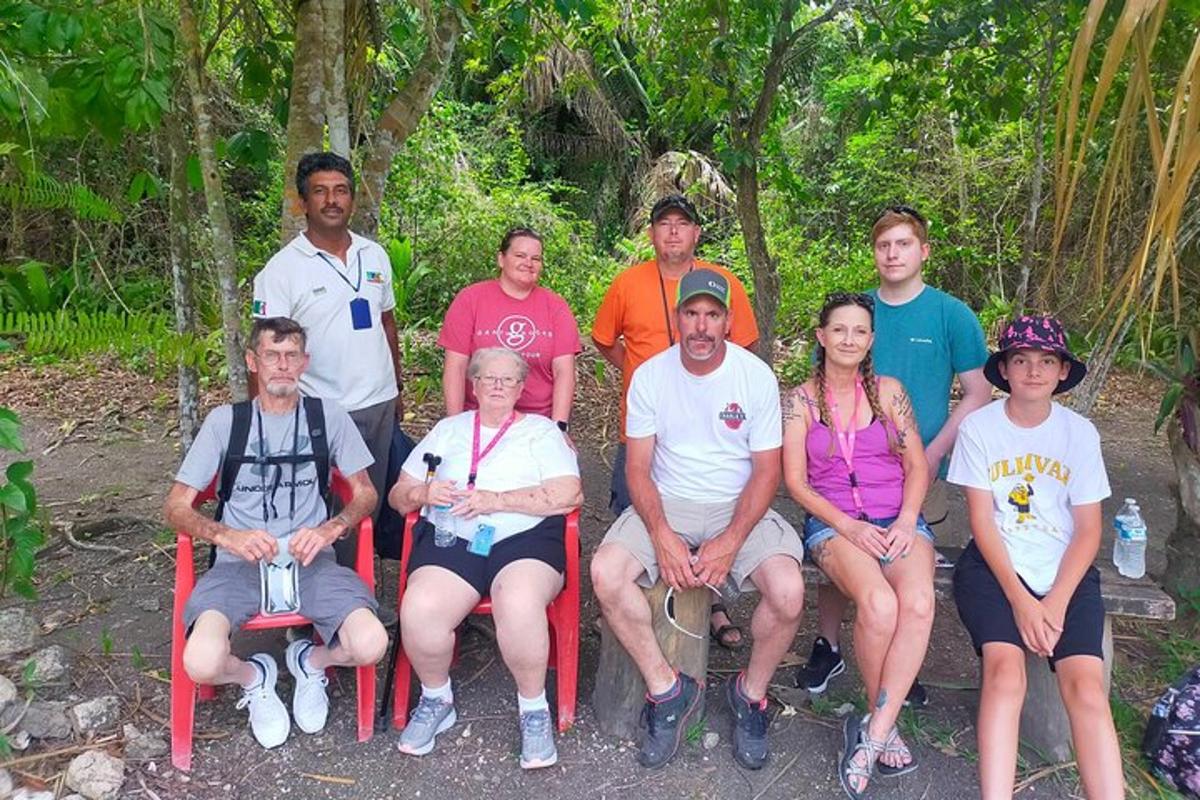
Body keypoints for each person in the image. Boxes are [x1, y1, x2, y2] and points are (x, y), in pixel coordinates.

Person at [590, 269, 805, 771]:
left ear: (729, 322)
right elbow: (638, 469)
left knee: (789, 592)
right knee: (606, 574)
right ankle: (667, 689)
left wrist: (731, 541)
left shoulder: (754, 376)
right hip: (668, 499)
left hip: (738, 502)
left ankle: (749, 694)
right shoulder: (650, 375)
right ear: (676, 318)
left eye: (712, 315)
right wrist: (662, 534)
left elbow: (766, 472)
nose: (701, 326)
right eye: (692, 314)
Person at [163, 317, 388, 749]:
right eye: (272, 355)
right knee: (202, 662)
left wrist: (331, 528)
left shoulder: (328, 417)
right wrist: (227, 536)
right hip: (240, 564)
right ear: (253, 361)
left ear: (304, 362)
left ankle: (312, 662)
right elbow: (174, 506)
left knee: (371, 643)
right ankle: (255, 675)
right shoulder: (225, 422)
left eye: (291, 356)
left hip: (311, 561)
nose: (282, 365)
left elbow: (365, 494)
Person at [799, 205, 991, 706]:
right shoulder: (857, 313)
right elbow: (824, 388)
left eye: (903, 244)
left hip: (917, 464)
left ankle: (897, 669)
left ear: (923, 251)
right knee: (845, 553)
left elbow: (977, 392)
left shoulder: (951, 314)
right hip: (845, 471)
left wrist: (929, 454)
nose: (893, 253)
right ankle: (830, 643)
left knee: (905, 563)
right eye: (884, 245)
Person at [948, 315, 1124, 800]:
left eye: (1047, 361)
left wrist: (1055, 602)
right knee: (1005, 676)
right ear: (1003, 368)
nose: (1033, 371)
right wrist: (1023, 602)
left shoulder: (1080, 433)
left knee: (1086, 687)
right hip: (995, 567)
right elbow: (982, 522)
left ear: (1063, 371)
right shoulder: (980, 428)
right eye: (1020, 360)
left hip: (1066, 572)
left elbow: (1089, 528)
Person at [388, 347, 582, 769]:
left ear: (520, 387)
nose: (497, 385)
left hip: (524, 537)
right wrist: (423, 493)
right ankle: (437, 698)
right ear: (472, 385)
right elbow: (397, 496)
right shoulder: (447, 430)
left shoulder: (542, 432)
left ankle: (534, 710)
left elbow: (570, 493)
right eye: (487, 378)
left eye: (507, 379)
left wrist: (494, 500)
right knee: (420, 608)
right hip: (454, 538)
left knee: (518, 602)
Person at [592, 194, 760, 649]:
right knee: (639, 511)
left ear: (696, 233)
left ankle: (711, 605)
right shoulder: (628, 283)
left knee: (708, 507)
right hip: (645, 420)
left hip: (710, 424)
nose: (672, 232)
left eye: (682, 224)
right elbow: (605, 339)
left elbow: (742, 346)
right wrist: (639, 369)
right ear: (651, 234)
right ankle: (630, 610)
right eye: (663, 224)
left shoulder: (722, 282)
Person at [781, 292, 933, 798]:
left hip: (898, 518)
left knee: (916, 601)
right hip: (834, 525)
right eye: (839, 330)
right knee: (878, 602)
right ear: (821, 337)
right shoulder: (800, 400)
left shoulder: (889, 392)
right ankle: (882, 722)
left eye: (860, 331)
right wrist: (847, 526)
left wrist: (909, 520)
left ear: (871, 341)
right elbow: (796, 485)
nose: (849, 339)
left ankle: (872, 731)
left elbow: (917, 466)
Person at [252, 152, 402, 560]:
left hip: (378, 402)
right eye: (320, 192)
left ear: (352, 199)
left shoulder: (375, 256)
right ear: (303, 202)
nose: (332, 200)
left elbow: (386, 324)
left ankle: (361, 600)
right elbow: (266, 347)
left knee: (368, 505)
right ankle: (312, 610)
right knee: (317, 508)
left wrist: (398, 389)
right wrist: (265, 417)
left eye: (340, 191)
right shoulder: (282, 270)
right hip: (320, 408)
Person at [438, 227, 581, 429]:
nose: (528, 263)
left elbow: (564, 371)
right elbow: (456, 367)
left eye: (536, 258)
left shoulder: (556, 306)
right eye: (520, 255)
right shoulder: (470, 299)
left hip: (537, 422)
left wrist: (559, 428)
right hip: (479, 419)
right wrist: (454, 425)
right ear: (501, 259)